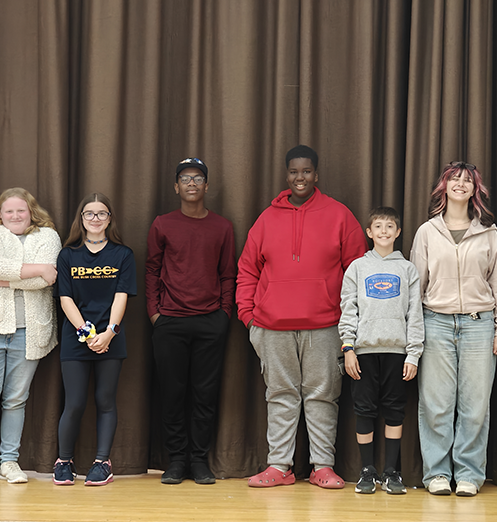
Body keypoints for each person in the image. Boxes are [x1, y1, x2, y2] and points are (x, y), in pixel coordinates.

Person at [237, 144, 367, 489]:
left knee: (322, 395)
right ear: (286, 175)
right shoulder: (266, 218)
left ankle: (322, 466)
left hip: (325, 325)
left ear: (316, 175)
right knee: (280, 395)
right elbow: (247, 270)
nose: (300, 178)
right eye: (294, 172)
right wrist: (249, 316)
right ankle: (279, 466)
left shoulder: (340, 215)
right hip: (271, 326)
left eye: (306, 171)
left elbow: (358, 272)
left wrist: (348, 321)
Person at [410, 161, 497, 497]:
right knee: (436, 403)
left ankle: (468, 473)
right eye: (455, 179)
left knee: (475, 404)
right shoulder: (426, 232)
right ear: (444, 187)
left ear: (474, 190)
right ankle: (436, 473)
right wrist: (415, 332)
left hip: (480, 326)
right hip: (435, 322)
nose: (461, 184)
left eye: (468, 181)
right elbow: (415, 287)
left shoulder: (488, 233)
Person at [146, 157, 236, 485]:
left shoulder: (222, 227)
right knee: (172, 393)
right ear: (176, 187)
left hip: (210, 321)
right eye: (185, 178)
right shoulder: (162, 224)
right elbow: (152, 269)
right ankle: (176, 461)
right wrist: (155, 312)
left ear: (207, 186)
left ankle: (199, 460)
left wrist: (224, 314)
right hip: (169, 321)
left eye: (198, 178)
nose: (192, 184)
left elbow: (228, 274)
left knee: (205, 394)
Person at [0, 188, 61, 484]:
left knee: (16, 399)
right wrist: (37, 270)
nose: (15, 216)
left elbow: (45, 282)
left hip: (29, 331)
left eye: (21, 210)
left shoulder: (48, 236)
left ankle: (9, 462)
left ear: (31, 211)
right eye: (9, 211)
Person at [52, 193, 136, 486]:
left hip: (111, 338)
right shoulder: (68, 255)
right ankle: (64, 461)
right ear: (82, 219)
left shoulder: (123, 254)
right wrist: (88, 335)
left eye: (102, 213)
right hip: (77, 339)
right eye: (90, 213)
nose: (96, 218)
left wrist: (109, 332)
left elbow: (121, 296)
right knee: (74, 402)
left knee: (105, 400)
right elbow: (65, 299)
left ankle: (102, 462)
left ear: (109, 218)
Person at [339, 206, 423, 495]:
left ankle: (391, 471)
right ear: (369, 232)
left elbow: (415, 315)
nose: (384, 231)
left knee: (395, 412)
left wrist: (413, 354)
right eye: (379, 226)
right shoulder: (357, 268)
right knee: (364, 410)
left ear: (398, 232)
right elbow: (348, 309)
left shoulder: (408, 269)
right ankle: (367, 470)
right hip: (362, 352)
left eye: (390, 227)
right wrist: (348, 347)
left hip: (398, 353)